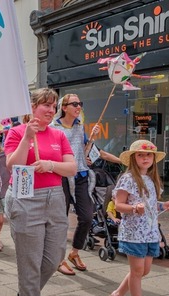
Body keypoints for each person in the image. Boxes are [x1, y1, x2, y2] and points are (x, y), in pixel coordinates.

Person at [4, 88, 76, 296]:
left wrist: (51, 165)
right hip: (25, 198)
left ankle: (27, 292)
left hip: (55, 198)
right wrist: (27, 138)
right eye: (45, 104)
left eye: (54, 105)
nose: (51, 109)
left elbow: (72, 168)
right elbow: (13, 166)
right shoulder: (15, 132)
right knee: (30, 259)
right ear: (32, 106)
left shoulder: (59, 134)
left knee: (55, 256)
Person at [108, 140, 169, 296]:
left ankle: (117, 295)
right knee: (137, 272)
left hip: (151, 232)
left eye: (148, 155)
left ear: (154, 159)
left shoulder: (153, 180)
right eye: (140, 155)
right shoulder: (128, 178)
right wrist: (133, 208)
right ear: (133, 158)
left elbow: (151, 205)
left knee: (143, 271)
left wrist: (163, 205)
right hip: (133, 232)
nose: (145, 158)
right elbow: (118, 205)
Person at [51, 93, 121, 276]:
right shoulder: (53, 128)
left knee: (87, 217)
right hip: (62, 176)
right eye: (74, 103)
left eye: (80, 103)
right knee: (60, 219)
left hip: (81, 174)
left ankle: (74, 253)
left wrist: (92, 139)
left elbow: (84, 151)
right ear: (64, 107)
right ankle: (59, 259)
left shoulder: (80, 127)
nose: (78, 106)